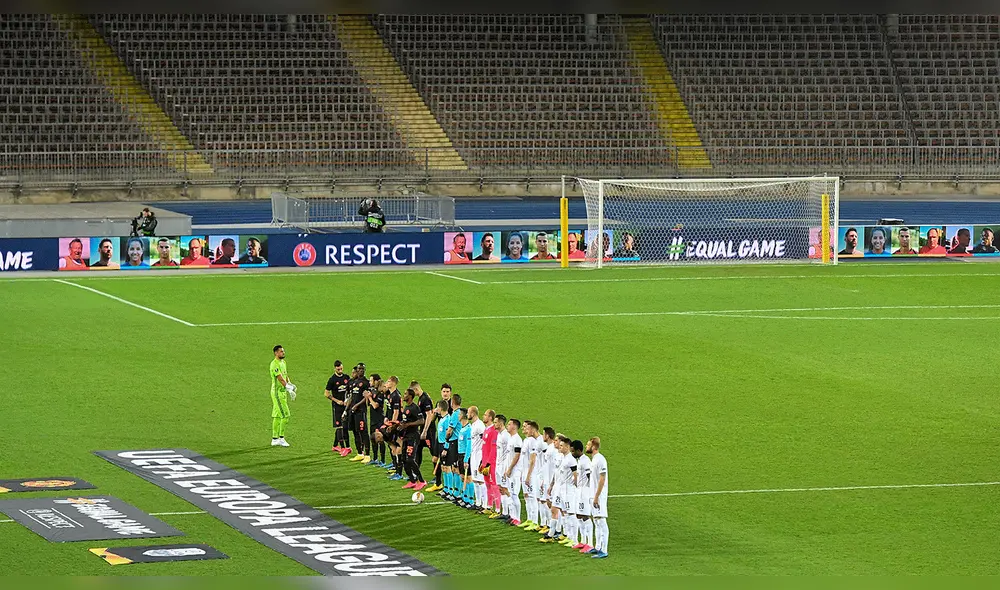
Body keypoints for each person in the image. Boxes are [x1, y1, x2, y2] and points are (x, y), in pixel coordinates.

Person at [541, 435, 575, 544]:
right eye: (559, 445)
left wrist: (574, 487)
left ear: (567, 447)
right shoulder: (562, 457)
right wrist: (551, 485)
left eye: (562, 446)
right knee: (554, 509)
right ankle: (551, 534)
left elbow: (576, 476)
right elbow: (556, 474)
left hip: (566, 489)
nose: (560, 447)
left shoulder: (571, 460)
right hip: (558, 488)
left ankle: (568, 535)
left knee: (566, 512)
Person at [398, 388, 427, 491]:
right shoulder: (406, 407)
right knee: (404, 459)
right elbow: (405, 421)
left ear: (410, 396)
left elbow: (422, 421)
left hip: (413, 437)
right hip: (406, 437)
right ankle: (412, 480)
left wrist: (408, 425)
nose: (404, 395)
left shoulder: (415, 408)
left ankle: (422, 481)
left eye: (405, 394)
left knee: (410, 459)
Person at [586, 437, 609, 558]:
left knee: (601, 521)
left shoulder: (600, 460)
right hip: (593, 495)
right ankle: (598, 547)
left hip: (598, 496)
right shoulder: (594, 460)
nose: (586, 446)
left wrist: (596, 496)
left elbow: (602, 479)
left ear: (594, 446)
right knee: (596, 521)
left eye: (588, 444)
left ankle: (604, 550)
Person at [269, 345, 295, 447]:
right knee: (285, 415)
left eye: (283, 351)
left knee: (277, 415)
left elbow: (285, 375)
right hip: (277, 393)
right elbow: (280, 378)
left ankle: (274, 439)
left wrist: (291, 385)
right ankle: (281, 438)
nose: (283, 353)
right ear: (276, 353)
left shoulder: (283, 362)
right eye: (281, 351)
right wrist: (288, 388)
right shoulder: (274, 364)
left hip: (282, 392)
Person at [324, 360, 352, 456]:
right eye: (338, 369)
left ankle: (335, 445)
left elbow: (350, 390)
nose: (340, 370)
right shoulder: (332, 380)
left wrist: (347, 400)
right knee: (339, 426)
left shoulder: (346, 377)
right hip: (337, 406)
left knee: (343, 426)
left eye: (341, 368)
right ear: (335, 368)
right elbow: (326, 394)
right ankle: (343, 447)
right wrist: (337, 401)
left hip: (346, 405)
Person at [516, 421, 540, 530]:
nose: (524, 429)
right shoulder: (525, 440)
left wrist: (528, 475)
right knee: (526, 496)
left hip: (531, 473)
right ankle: (529, 519)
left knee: (532, 496)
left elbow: (533, 460)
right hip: (524, 472)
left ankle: (535, 521)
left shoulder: (532, 442)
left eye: (526, 427)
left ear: (532, 430)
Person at [572, 439, 594, 553]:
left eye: (573, 451)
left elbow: (590, 477)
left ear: (578, 450)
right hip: (579, 491)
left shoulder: (585, 461)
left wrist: (591, 492)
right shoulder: (579, 460)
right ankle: (583, 541)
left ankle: (590, 543)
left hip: (585, 492)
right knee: (579, 516)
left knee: (585, 516)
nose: (572, 453)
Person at [501, 418, 524, 526]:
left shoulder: (517, 440)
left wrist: (510, 468)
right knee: (510, 493)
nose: (507, 426)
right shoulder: (511, 438)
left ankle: (517, 518)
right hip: (510, 470)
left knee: (514, 494)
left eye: (509, 424)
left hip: (515, 471)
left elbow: (517, 455)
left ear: (514, 427)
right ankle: (513, 516)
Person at [348, 364, 371, 464]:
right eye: (359, 369)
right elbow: (351, 396)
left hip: (361, 411)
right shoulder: (354, 382)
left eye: (362, 369)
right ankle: (359, 453)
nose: (360, 371)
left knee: (363, 432)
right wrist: (346, 410)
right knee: (355, 431)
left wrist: (357, 405)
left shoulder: (366, 383)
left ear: (364, 370)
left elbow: (366, 397)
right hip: (353, 411)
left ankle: (367, 455)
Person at [480, 409, 501, 516]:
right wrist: (482, 462)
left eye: (485, 415)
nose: (483, 417)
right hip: (485, 462)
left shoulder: (493, 431)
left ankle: (497, 509)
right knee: (488, 484)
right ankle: (489, 506)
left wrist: (488, 463)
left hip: (491, 463)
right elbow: (484, 447)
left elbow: (493, 449)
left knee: (494, 485)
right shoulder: (486, 429)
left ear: (490, 418)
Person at [468, 405, 488, 512]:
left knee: (481, 481)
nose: (467, 415)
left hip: (479, 455)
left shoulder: (480, 425)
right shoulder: (473, 425)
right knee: (475, 480)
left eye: (468, 413)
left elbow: (484, 442)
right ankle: (478, 502)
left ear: (473, 413)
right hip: (474, 456)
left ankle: (484, 505)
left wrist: (483, 458)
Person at [368, 374, 388, 467]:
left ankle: (383, 460)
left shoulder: (381, 393)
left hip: (379, 420)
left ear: (376, 381)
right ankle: (375, 458)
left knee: (380, 440)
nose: (370, 382)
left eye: (371, 380)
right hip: (372, 419)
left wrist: (369, 397)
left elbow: (375, 405)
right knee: (373, 439)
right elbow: (369, 404)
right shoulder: (372, 391)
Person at [457, 408, 475, 508]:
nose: (458, 416)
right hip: (460, 454)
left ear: (463, 416)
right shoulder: (462, 428)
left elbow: (469, 445)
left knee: (468, 478)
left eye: (459, 414)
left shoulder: (468, 429)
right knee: (462, 477)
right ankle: (464, 498)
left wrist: (466, 459)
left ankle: (470, 500)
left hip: (465, 455)